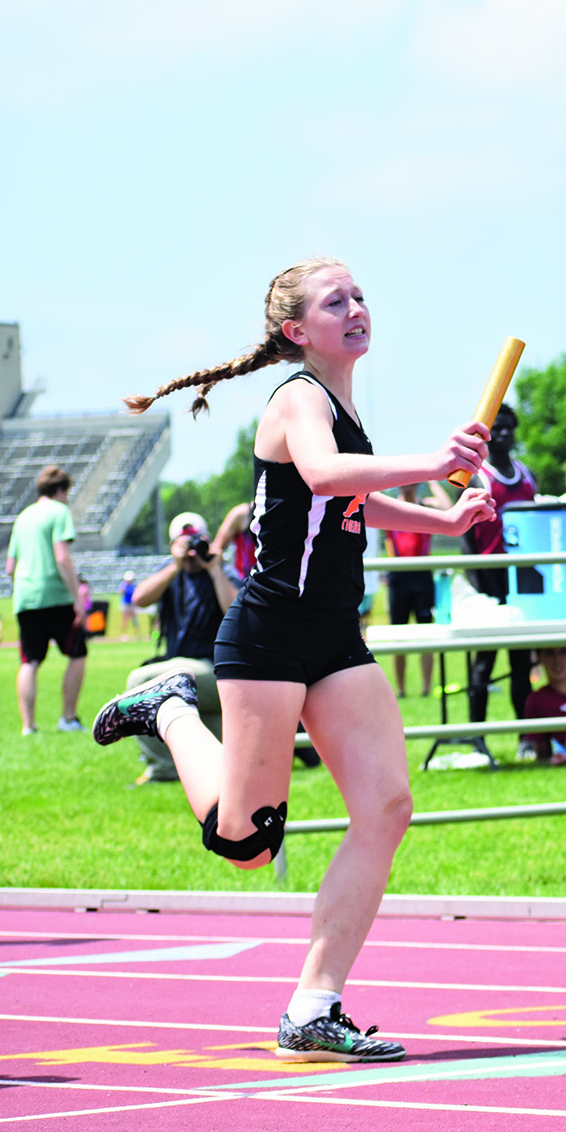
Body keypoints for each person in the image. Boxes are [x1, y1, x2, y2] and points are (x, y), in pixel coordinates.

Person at [91, 256, 495, 1063]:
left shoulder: (343, 405)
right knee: (248, 843)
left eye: (360, 295)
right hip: (270, 633)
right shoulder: (298, 398)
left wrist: (442, 522)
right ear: (295, 330)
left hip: (334, 637)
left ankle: (315, 1006)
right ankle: (170, 706)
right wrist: (434, 460)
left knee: (386, 807)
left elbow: (350, 495)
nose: (356, 308)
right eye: (334, 300)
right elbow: (322, 472)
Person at [121, 512, 240, 784]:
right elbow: (139, 598)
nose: (191, 551)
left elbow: (237, 612)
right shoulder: (169, 571)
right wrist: (175, 565)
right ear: (174, 544)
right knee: (222, 753)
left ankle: (164, 770)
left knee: (140, 683)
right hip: (186, 673)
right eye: (183, 543)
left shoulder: (221, 570)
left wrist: (214, 570)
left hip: (215, 670)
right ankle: (184, 766)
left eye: (195, 542)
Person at [462, 403, 538, 747]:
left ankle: (525, 736)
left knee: (522, 664)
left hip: (521, 581)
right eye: (498, 427)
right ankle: (477, 737)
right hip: (489, 580)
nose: (504, 433)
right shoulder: (478, 476)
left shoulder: (526, 474)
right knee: (484, 664)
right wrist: (479, 589)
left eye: (510, 427)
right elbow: (465, 539)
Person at [6, 465, 87, 735]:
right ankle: (68, 718)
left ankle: (28, 726)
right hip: (54, 593)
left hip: (25, 596)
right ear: (61, 490)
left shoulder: (23, 517)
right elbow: (62, 557)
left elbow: (9, 567)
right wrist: (77, 597)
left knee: (30, 660)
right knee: (77, 652)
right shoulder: (59, 511)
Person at [385, 481, 444, 699]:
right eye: (403, 483)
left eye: (412, 482)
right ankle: (400, 689)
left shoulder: (425, 506)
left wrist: (432, 479)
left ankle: (426, 687)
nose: (406, 487)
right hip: (398, 575)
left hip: (422, 574)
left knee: (426, 634)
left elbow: (447, 507)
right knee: (397, 635)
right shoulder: (391, 507)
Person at [119, 570, 141, 639]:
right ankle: (124, 634)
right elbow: (121, 593)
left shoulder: (133, 586)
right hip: (125, 604)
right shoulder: (123, 585)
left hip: (132, 604)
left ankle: (137, 635)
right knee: (124, 619)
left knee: (134, 619)